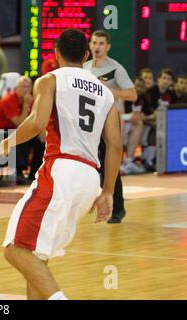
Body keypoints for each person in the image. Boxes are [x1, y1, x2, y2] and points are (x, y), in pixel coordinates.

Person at [0, 28, 122, 300]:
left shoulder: (49, 80)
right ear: (86, 55)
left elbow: (37, 122)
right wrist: (107, 192)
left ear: (56, 53)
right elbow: (115, 145)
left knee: (15, 249)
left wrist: (5, 143)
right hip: (89, 179)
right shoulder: (105, 92)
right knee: (37, 256)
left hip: (61, 170)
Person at [84, 29, 137, 224]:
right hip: (89, 124)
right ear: (89, 45)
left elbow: (132, 94)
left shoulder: (116, 68)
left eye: (100, 44)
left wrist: (108, 89)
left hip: (109, 124)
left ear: (107, 47)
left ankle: (118, 208)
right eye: (94, 43)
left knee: (109, 165)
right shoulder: (84, 68)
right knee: (89, 163)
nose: (96, 47)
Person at [0, 76, 34, 184]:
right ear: (16, 88)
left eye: (28, 86)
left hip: (14, 130)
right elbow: (20, 124)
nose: (25, 89)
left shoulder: (31, 99)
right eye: (22, 86)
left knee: (40, 139)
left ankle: (34, 172)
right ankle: (19, 173)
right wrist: (26, 105)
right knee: (20, 136)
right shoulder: (9, 99)